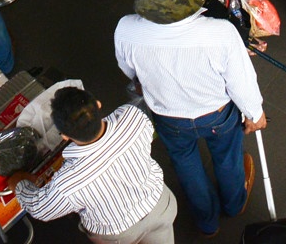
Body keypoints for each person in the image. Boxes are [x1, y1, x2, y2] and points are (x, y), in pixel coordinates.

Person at [115, 0, 266, 237]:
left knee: (186, 165)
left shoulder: (126, 29)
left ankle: (207, 222)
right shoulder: (220, 33)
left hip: (168, 116)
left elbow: (130, 73)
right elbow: (241, 81)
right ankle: (234, 205)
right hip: (218, 115)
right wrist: (255, 113)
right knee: (227, 158)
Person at [14, 88, 177, 244]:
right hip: (160, 205)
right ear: (98, 104)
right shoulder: (133, 117)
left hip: (117, 233)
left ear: (64, 136)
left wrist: (19, 182)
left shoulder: (67, 184)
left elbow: (40, 209)